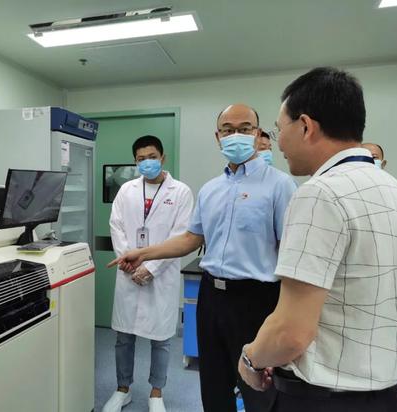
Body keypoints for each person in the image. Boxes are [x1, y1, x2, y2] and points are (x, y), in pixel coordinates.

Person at [237, 67, 397, 412]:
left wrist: (250, 359)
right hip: (388, 396)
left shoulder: (320, 194)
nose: (278, 143)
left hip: (323, 399)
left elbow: (291, 333)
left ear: (305, 126)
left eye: (279, 130)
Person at [109, 106, 297, 412]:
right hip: (212, 297)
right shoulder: (211, 189)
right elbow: (190, 239)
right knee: (213, 384)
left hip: (256, 299)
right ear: (217, 137)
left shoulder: (280, 185)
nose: (235, 135)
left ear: (257, 133)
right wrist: (143, 253)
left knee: (258, 391)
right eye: (227, 130)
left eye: (245, 128)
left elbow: (289, 252)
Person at [103, 135, 193, 412]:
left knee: (161, 339)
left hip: (161, 275)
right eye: (141, 159)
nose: (147, 163)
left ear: (163, 157)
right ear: (135, 162)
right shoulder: (127, 190)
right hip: (128, 272)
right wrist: (128, 260)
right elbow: (116, 225)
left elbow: (180, 236)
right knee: (123, 337)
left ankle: (156, 393)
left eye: (152, 157)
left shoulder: (181, 192)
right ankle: (123, 389)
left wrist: (150, 267)